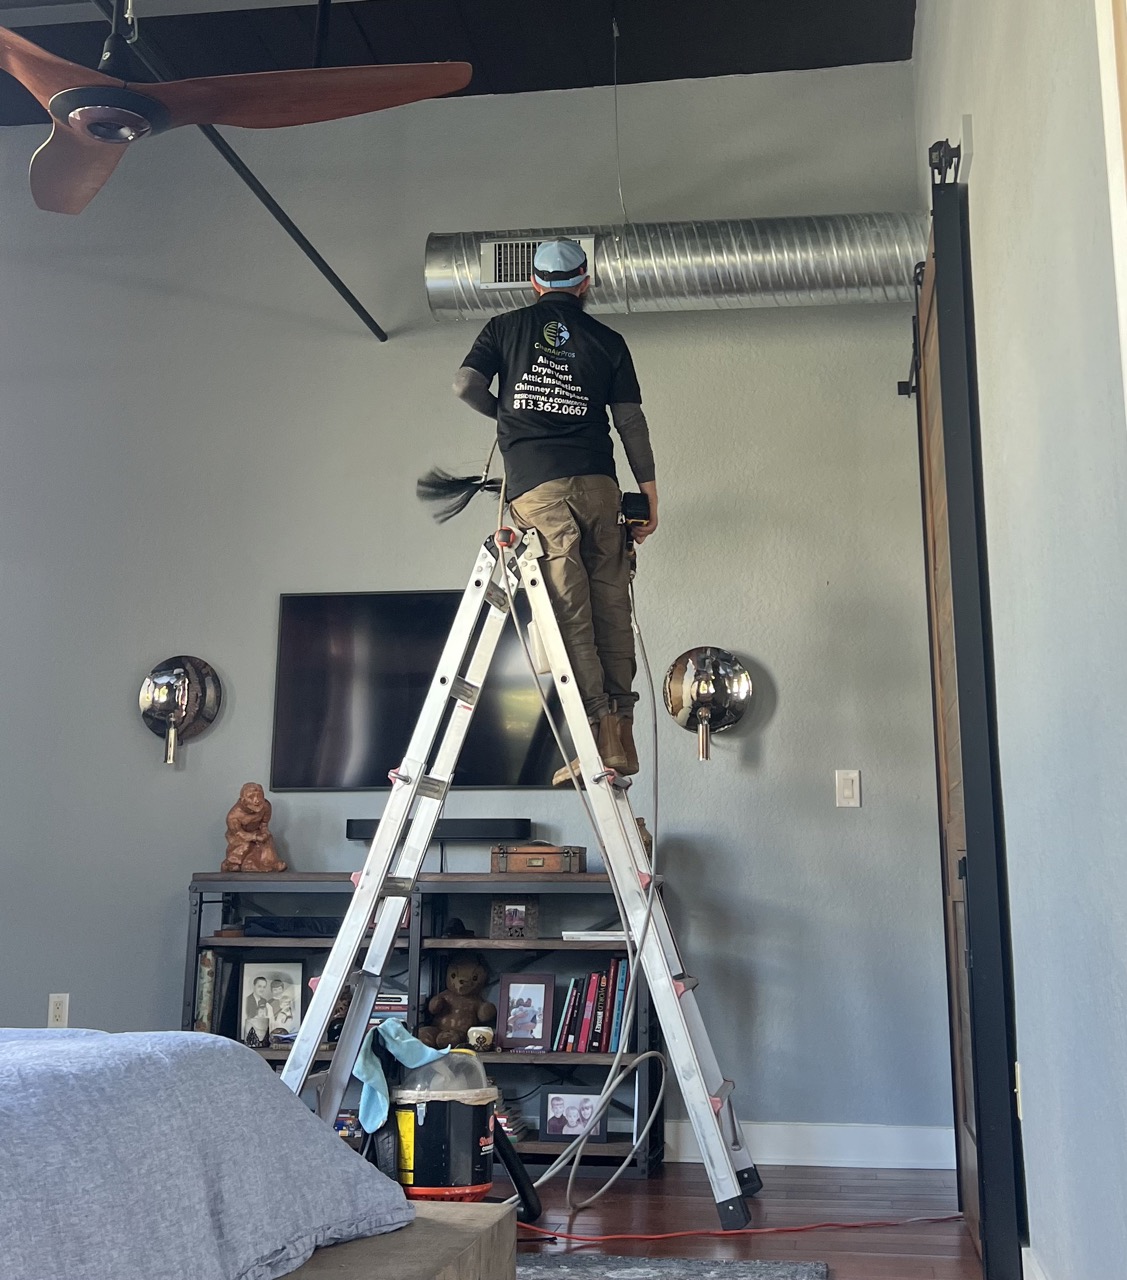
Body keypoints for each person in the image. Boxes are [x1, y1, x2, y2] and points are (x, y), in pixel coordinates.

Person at [454, 237, 658, 783]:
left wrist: (509, 415)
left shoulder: (504, 328)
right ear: (585, 283)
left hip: (538, 490)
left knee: (570, 611)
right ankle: (620, 737)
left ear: (535, 283)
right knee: (611, 605)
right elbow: (630, 422)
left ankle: (592, 741)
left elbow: (464, 384)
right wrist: (649, 495)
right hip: (600, 486)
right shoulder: (608, 340)